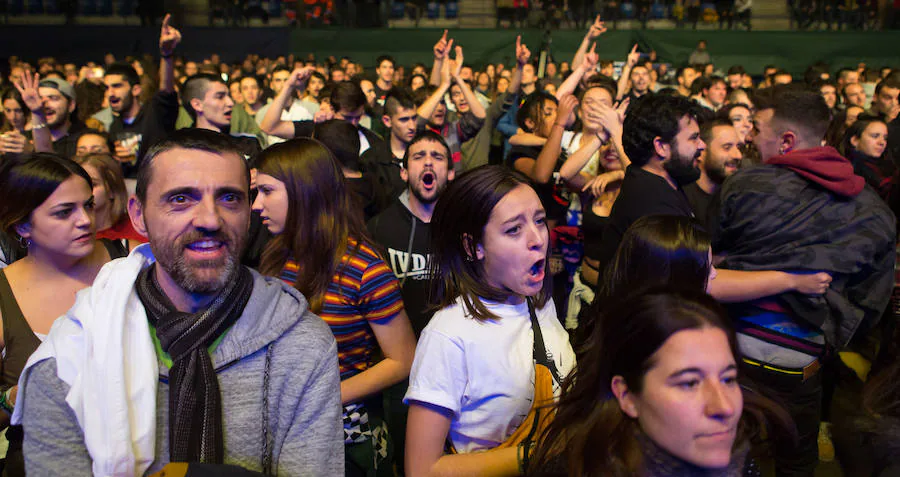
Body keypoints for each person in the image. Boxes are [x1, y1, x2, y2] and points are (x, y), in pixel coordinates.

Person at [14, 129, 344, 475]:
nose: (210, 220)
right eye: (181, 199)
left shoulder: (301, 343)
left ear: (248, 211)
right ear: (138, 215)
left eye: (230, 198)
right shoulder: (74, 353)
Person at [711, 87, 896, 476]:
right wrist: (832, 330)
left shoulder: (745, 187)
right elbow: (871, 297)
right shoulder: (872, 209)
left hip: (733, 360)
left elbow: (710, 263)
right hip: (805, 362)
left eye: (758, 128)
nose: (750, 137)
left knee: (725, 457)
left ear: (787, 140)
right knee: (797, 461)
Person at [251, 138, 416, 476]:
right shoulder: (277, 255)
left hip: (347, 435)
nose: (256, 205)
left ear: (303, 191)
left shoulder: (364, 268)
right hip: (285, 429)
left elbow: (403, 359)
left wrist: (324, 395)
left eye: (267, 191)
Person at [404, 165, 576, 477]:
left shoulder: (540, 303)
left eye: (539, 221)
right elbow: (422, 469)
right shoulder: (449, 334)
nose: (538, 239)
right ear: (473, 247)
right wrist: (539, 455)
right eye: (514, 230)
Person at [529, 289, 768, 476]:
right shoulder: (578, 469)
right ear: (627, 396)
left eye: (728, 379)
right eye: (689, 383)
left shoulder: (741, 461)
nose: (725, 407)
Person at [0, 153, 126, 476]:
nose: (85, 220)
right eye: (64, 212)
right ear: (23, 225)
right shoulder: (4, 295)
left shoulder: (126, 261)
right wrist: (14, 398)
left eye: (87, 205)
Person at [596, 94, 706, 268]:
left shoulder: (651, 181)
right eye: (693, 138)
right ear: (661, 147)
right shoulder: (654, 207)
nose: (702, 145)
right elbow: (694, 279)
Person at [103, 15, 181, 178]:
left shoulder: (154, 114)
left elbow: (166, 92)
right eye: (107, 87)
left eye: (117, 86)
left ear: (136, 89)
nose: (111, 93)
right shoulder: (114, 126)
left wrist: (166, 55)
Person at [73, 153, 147, 250]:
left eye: (92, 184)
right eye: (76, 185)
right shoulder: (71, 236)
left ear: (112, 190)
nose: (83, 191)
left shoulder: (139, 228)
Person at [683, 119, 744, 225]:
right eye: (727, 147)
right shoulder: (683, 199)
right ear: (701, 153)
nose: (738, 155)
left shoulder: (737, 197)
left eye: (738, 147)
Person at [255, 65, 313, 147]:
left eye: (287, 80)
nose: (283, 84)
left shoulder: (311, 108)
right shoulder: (263, 112)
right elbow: (263, 144)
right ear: (271, 85)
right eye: (278, 80)